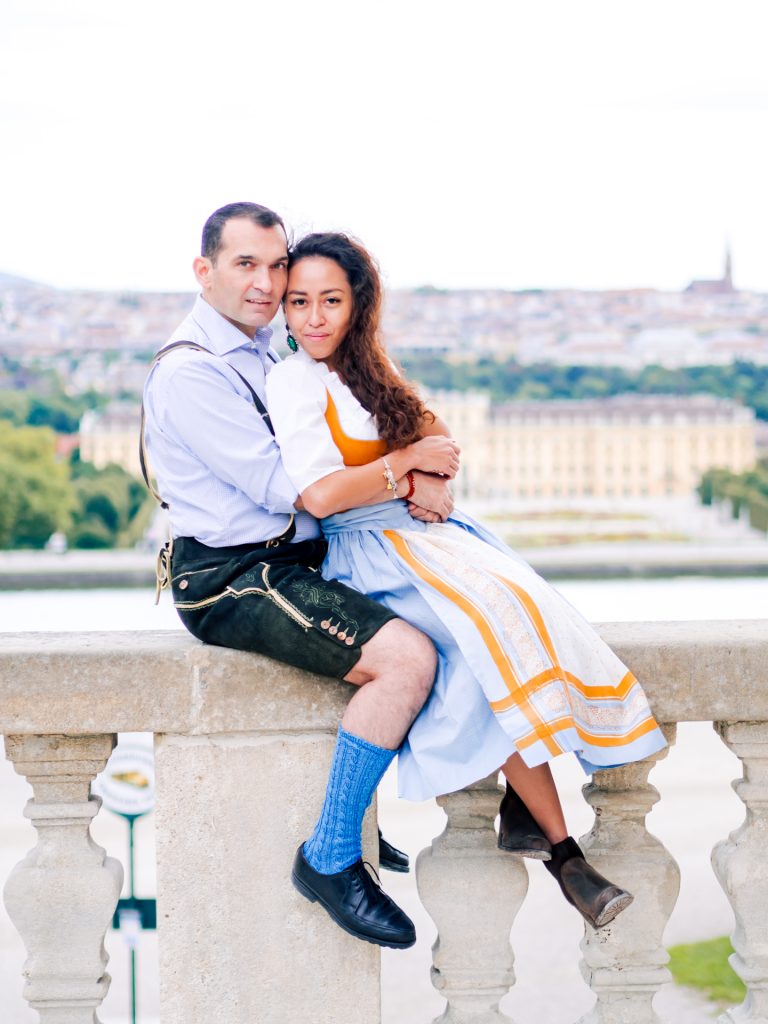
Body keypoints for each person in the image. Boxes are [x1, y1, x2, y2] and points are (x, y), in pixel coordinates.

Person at [265, 232, 669, 935]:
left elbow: (442, 442)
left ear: (357, 305)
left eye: (330, 301)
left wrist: (429, 473)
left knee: (525, 614)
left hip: (420, 539)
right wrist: (410, 466)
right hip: (368, 553)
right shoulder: (292, 379)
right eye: (299, 303)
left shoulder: (368, 367)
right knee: (489, 632)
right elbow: (322, 497)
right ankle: (564, 852)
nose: (313, 318)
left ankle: (534, 817)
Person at [142, 202, 461, 951]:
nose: (264, 282)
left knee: (456, 616)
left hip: (295, 556)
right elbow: (294, 486)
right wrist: (403, 467)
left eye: (274, 264)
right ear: (204, 271)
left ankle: (357, 809)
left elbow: (354, 443)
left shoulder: (263, 348)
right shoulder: (194, 373)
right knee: (407, 660)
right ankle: (329, 856)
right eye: (244, 264)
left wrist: (414, 468)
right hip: (233, 577)